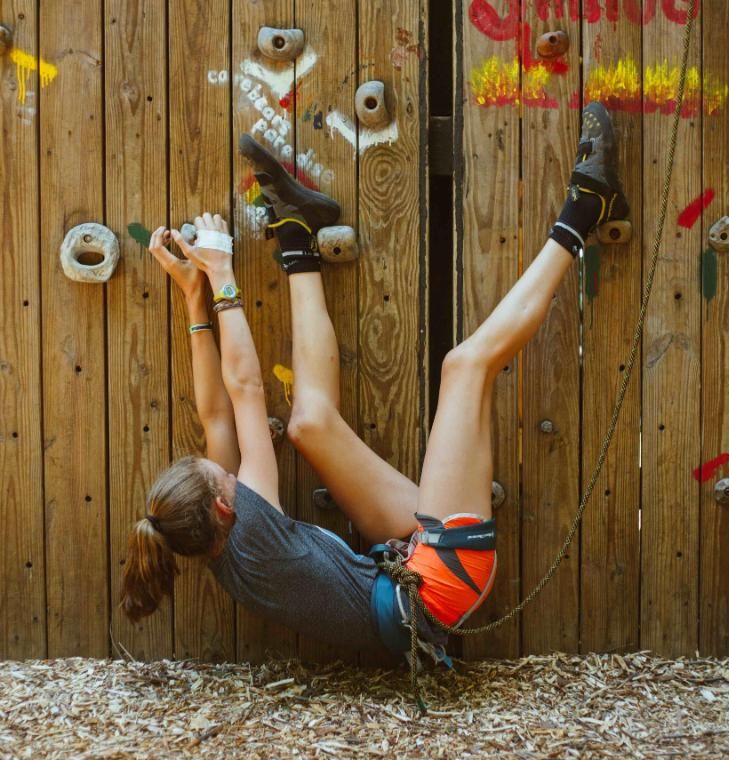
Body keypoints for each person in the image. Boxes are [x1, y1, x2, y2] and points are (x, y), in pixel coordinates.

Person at [120, 102, 628, 660]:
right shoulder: (251, 530)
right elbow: (243, 390)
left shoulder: (219, 534)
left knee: (309, 424)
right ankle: (585, 209)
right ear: (223, 507)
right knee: (464, 367)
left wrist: (194, 299)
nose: (226, 465)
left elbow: (214, 413)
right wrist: (221, 277)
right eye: (221, 474)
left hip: (405, 567)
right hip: (442, 581)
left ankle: (296, 234)